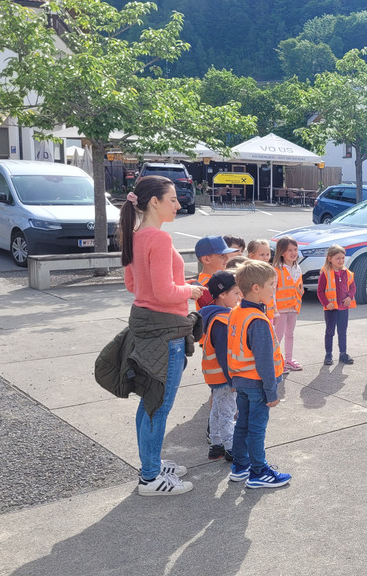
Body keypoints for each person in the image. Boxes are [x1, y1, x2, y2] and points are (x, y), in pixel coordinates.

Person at [119, 175, 205, 495]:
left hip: (144, 325)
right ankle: (151, 477)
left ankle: (150, 463)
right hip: (165, 327)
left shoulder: (134, 235)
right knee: (160, 404)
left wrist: (176, 289)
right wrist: (192, 289)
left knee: (150, 401)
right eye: (172, 199)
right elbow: (165, 291)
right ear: (154, 202)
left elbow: (133, 287)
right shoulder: (158, 239)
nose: (178, 204)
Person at [227, 260, 292, 489]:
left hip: (242, 381)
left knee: (242, 425)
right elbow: (264, 360)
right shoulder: (258, 320)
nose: (274, 288)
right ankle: (258, 472)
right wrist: (271, 390)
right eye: (271, 284)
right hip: (257, 383)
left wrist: (233, 379)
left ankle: (240, 466)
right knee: (256, 428)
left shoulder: (236, 313)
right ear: (256, 288)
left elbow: (231, 348)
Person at [200, 270, 242, 462]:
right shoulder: (222, 320)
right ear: (222, 295)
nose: (239, 297)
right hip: (225, 376)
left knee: (217, 409)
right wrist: (233, 379)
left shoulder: (214, 316)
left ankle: (216, 445)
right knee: (227, 412)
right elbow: (225, 355)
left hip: (215, 375)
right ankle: (231, 448)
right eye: (236, 293)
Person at [317, 244, 356, 365]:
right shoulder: (325, 273)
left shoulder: (348, 273)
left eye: (343, 258)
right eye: (338, 258)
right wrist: (326, 303)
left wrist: (350, 297)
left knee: (342, 331)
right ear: (330, 259)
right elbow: (320, 291)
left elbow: (353, 287)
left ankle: (343, 354)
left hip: (344, 308)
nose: (341, 261)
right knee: (330, 332)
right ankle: (328, 355)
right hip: (331, 309)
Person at [271, 236, 304, 372]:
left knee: (290, 334)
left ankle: (288, 359)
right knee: (278, 336)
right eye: (289, 250)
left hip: (293, 308)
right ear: (282, 252)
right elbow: (272, 291)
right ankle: (276, 361)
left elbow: (299, 287)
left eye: (295, 249)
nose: (293, 253)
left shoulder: (298, 268)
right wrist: (273, 309)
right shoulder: (276, 270)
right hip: (280, 309)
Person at [193, 235, 237, 309]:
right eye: (222, 255)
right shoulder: (205, 285)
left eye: (226, 255)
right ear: (206, 259)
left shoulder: (221, 275)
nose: (227, 258)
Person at [246, 239, 276, 321]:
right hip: (255, 311)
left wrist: (275, 311)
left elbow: (273, 293)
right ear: (251, 255)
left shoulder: (270, 270)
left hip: (268, 312)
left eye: (267, 254)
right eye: (262, 255)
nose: (266, 257)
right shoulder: (248, 272)